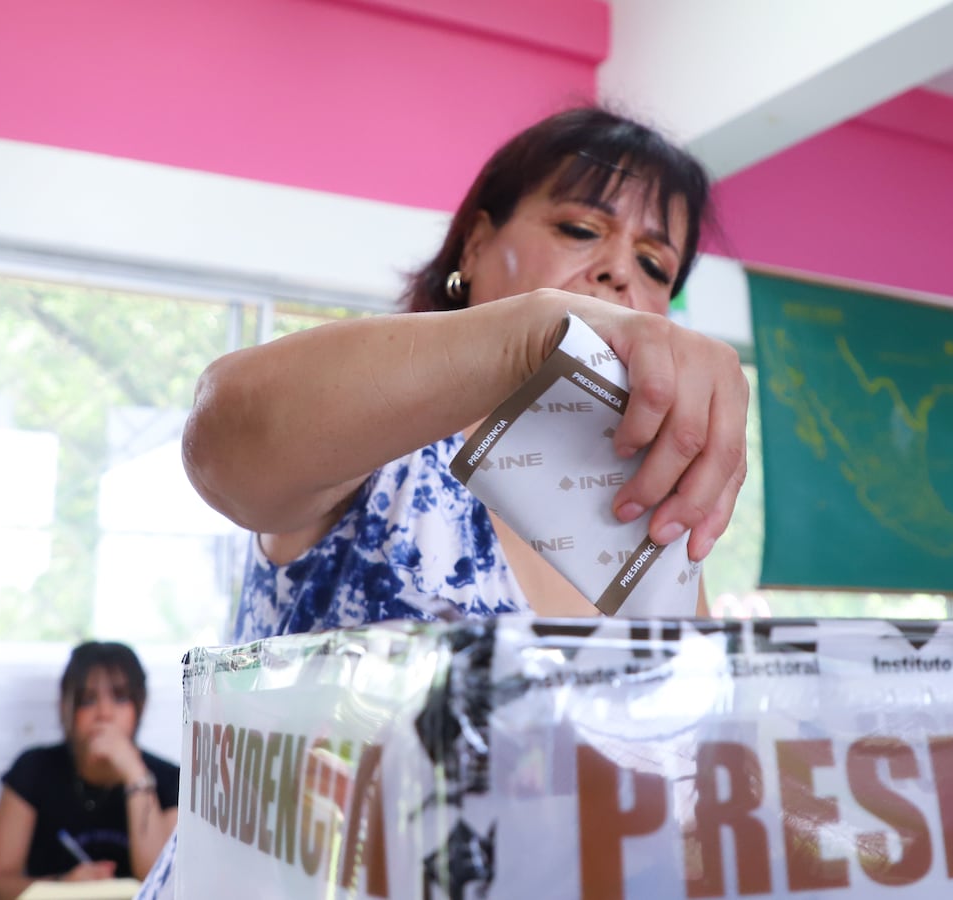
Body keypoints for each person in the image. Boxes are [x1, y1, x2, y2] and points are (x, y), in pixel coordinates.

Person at [136, 106, 747, 895]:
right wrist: (534, 334)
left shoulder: (653, 526)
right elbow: (222, 443)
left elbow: (686, 786)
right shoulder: (378, 448)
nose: (619, 272)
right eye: (579, 228)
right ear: (477, 244)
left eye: (656, 264)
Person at [0, 642, 180, 898]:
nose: (104, 714)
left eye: (120, 698)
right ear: (65, 707)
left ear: (140, 705)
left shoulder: (168, 779)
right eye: (87, 700)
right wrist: (63, 885)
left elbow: (162, 882)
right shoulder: (34, 769)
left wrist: (135, 775)